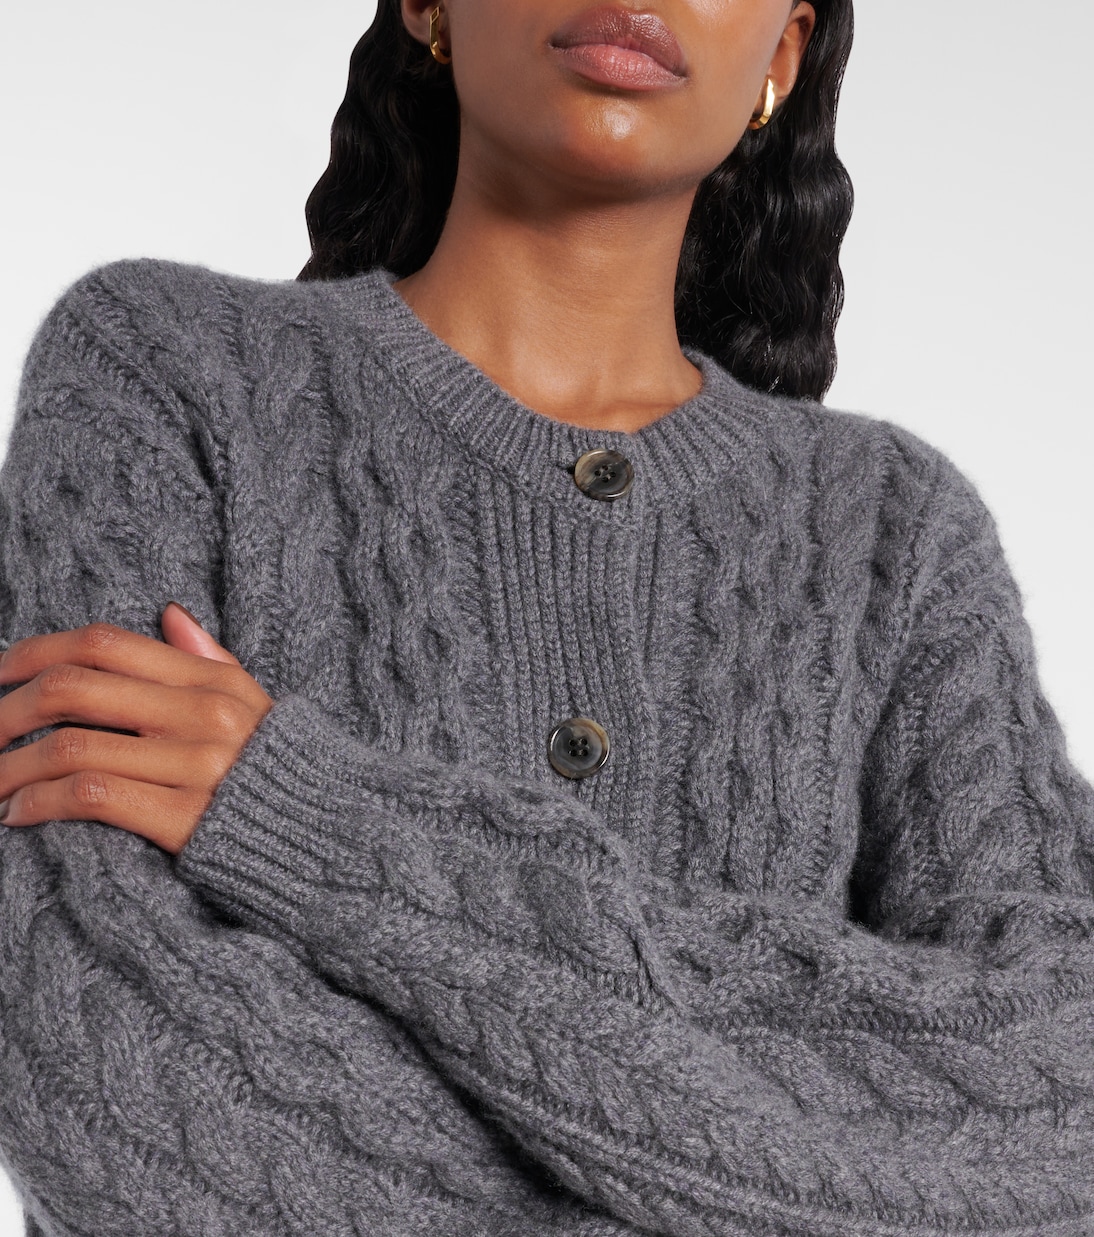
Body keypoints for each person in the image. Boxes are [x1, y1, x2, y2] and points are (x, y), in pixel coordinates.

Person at [0, 0, 1092, 1234]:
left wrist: (314, 822)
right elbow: (98, 1063)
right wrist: (775, 1178)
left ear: (779, 57)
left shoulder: (896, 532)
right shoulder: (165, 374)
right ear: (428, 5)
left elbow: (1060, 1090)